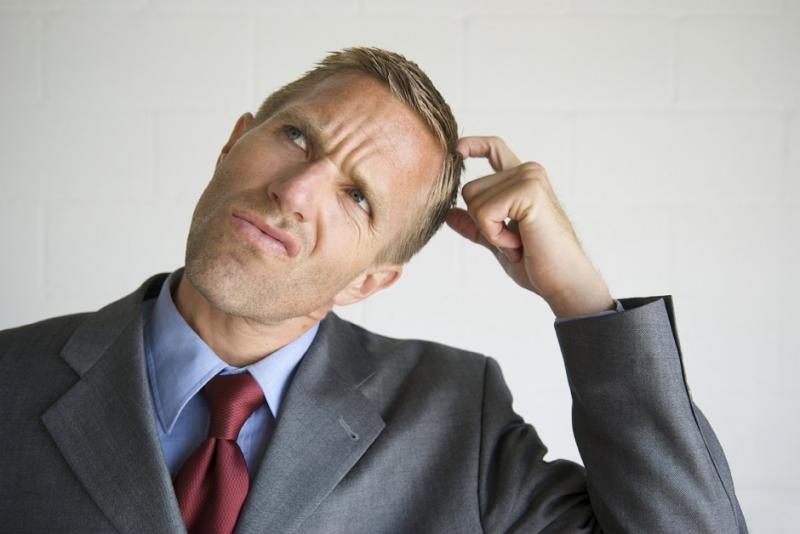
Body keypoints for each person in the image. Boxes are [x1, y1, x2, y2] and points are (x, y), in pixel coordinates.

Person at [0, 47, 747, 533]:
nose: (295, 192)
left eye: (357, 197)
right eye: (298, 137)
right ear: (232, 143)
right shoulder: (11, 376)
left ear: (370, 280)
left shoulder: (455, 415)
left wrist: (580, 299)